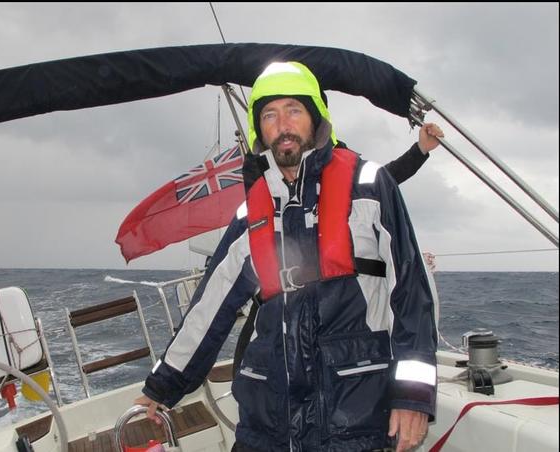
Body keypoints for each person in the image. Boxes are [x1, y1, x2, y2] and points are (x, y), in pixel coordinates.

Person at [136, 61, 439, 452]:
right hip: (267, 423)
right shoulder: (251, 215)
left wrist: (413, 396)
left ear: (315, 118)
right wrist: (163, 386)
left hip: (353, 418)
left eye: (293, 110)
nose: (283, 124)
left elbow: (412, 293)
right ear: (259, 130)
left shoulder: (369, 188)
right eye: (270, 115)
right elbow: (208, 309)